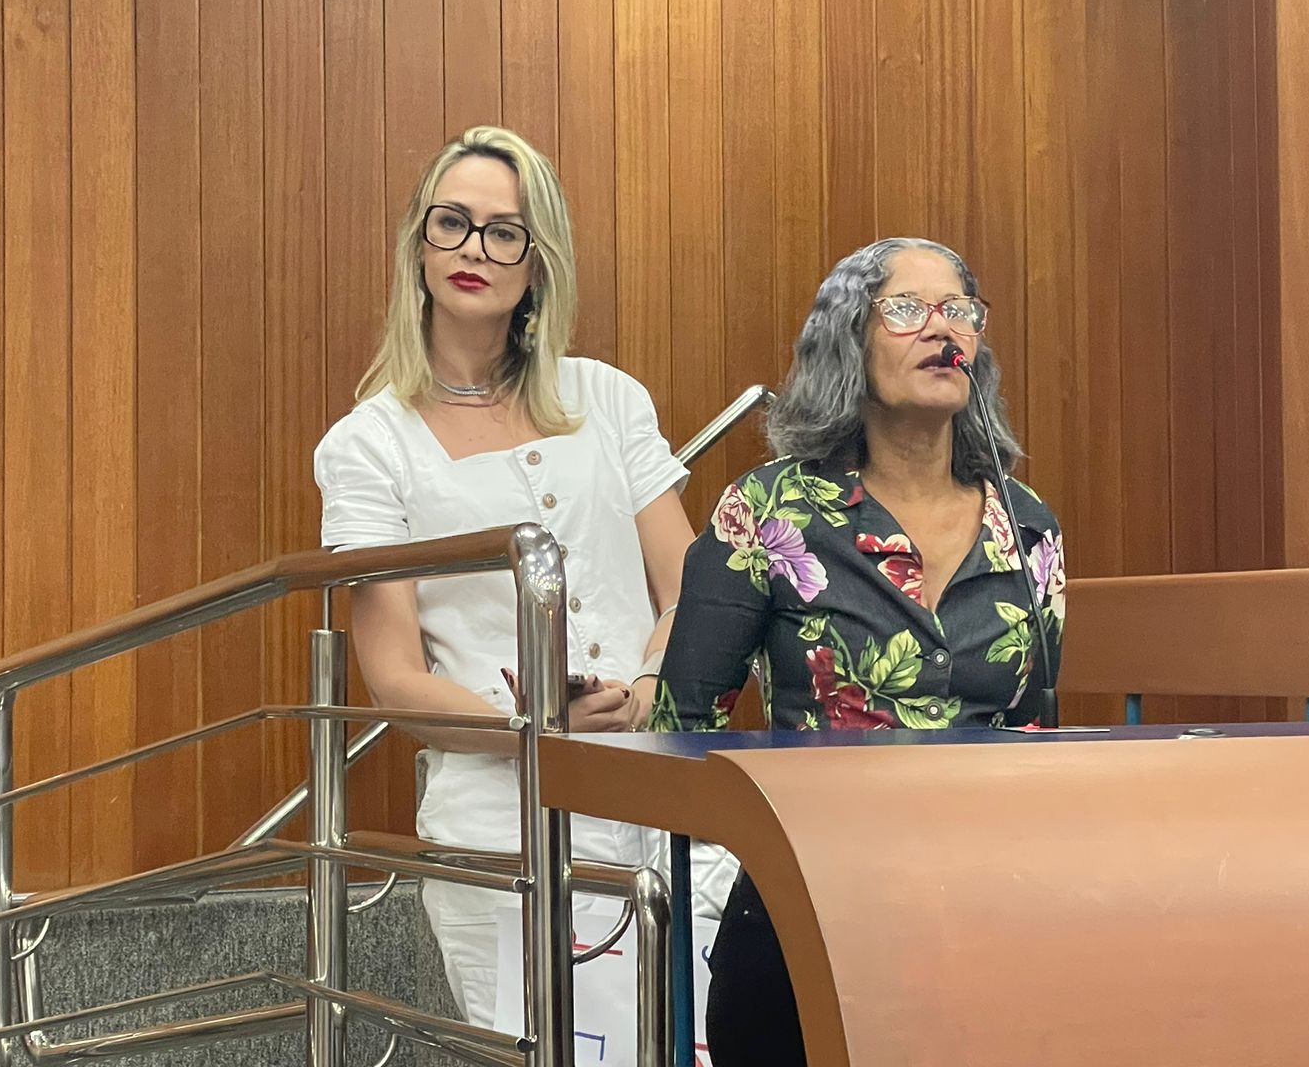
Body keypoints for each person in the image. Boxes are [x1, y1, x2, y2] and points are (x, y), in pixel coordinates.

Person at [313, 126, 699, 1049]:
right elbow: (395, 677)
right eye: (451, 222)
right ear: (418, 244)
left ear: (537, 263)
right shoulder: (368, 444)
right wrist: (536, 726)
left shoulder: (608, 398)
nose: (474, 249)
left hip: (662, 793)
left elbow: (692, 591)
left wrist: (649, 686)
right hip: (500, 823)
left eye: (504, 232)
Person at [647, 237, 1067, 1066]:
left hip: (986, 923)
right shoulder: (768, 510)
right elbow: (683, 726)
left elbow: (1032, 728)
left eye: (958, 311)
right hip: (809, 916)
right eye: (906, 309)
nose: (941, 329)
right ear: (848, 340)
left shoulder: (1025, 523)